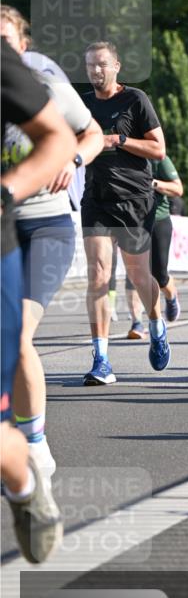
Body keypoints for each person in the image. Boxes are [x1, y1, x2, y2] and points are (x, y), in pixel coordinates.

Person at [1, 6, 104, 484]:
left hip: (46, 224)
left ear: (23, 44)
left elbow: (92, 132)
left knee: (19, 332)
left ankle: (36, 444)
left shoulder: (43, 81)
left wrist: (75, 157)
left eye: (6, 39)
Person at [1, 37, 77, 562]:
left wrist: (7, 190)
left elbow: (60, 139)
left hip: (36, 225)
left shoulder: (15, 69)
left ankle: (25, 481)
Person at [80, 41, 171, 384]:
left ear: (116, 65)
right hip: (96, 199)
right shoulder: (82, 105)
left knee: (138, 276)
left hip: (133, 199)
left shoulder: (135, 100)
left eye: (101, 64)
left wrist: (117, 140)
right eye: (90, 65)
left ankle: (156, 322)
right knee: (98, 275)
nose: (95, 71)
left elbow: (158, 149)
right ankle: (101, 358)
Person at [124, 154, 184, 336]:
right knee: (134, 273)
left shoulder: (158, 158)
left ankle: (171, 295)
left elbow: (178, 189)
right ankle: (136, 322)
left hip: (158, 219)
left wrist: (152, 183)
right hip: (132, 220)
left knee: (159, 274)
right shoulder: (120, 157)